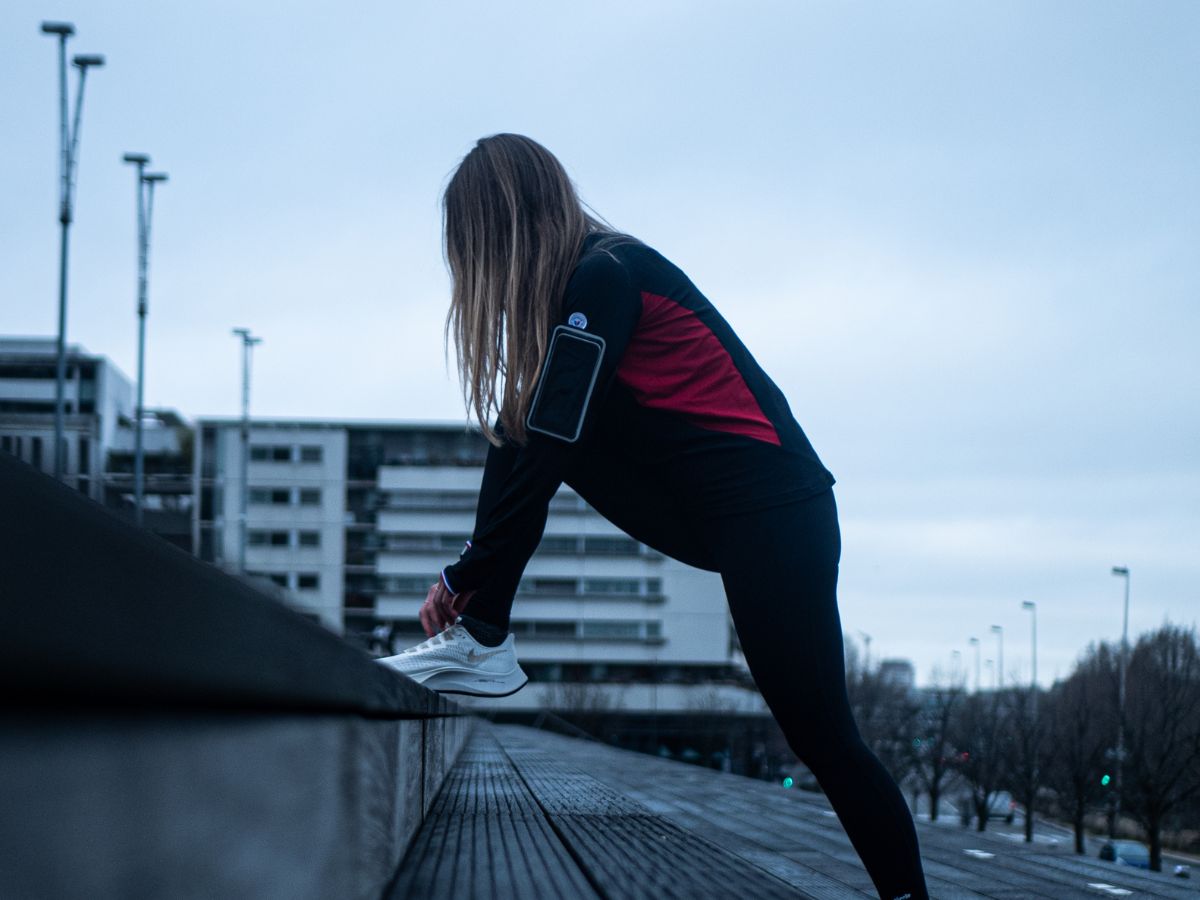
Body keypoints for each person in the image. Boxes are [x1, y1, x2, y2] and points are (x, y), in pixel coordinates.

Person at [377, 133, 929, 899]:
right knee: (530, 414)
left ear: (506, 228)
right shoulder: (582, 290)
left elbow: (554, 445)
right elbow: (541, 439)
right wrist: (475, 576)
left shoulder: (607, 275)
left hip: (779, 515)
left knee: (826, 740)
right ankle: (485, 637)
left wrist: (465, 572)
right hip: (716, 513)